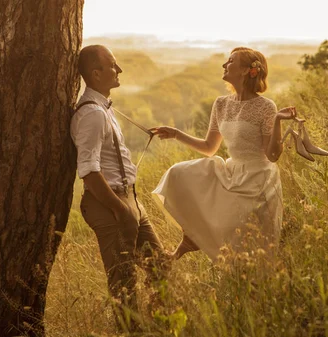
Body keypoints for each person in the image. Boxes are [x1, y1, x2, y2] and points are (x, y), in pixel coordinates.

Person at [151, 47, 297, 261]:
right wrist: (176, 134)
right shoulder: (221, 104)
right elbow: (210, 147)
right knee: (178, 174)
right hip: (232, 172)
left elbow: (273, 155)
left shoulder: (266, 107)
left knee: (244, 236)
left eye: (230, 61)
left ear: (247, 70)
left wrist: (276, 121)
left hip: (258, 178)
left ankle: (248, 279)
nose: (224, 65)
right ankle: (187, 245)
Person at [70, 45, 168, 328]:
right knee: (123, 283)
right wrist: (120, 210)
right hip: (110, 204)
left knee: (158, 266)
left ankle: (161, 327)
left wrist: (130, 205)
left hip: (128, 200)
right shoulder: (93, 114)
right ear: (96, 73)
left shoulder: (103, 108)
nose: (120, 69)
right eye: (113, 65)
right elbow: (88, 171)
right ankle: (133, 332)